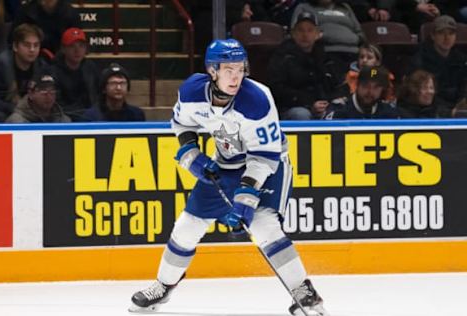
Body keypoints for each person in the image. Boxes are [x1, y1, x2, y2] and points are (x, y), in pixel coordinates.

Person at [129, 39, 330, 316]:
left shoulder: (257, 100)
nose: (235, 76)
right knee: (187, 226)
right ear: (213, 71)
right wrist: (191, 153)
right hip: (226, 165)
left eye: (239, 69)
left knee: (263, 225)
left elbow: (264, 158)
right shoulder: (191, 91)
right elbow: (181, 124)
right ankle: (163, 286)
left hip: (269, 165)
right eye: (228, 70)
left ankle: (304, 292)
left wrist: (245, 201)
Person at [268, 11, 343, 120]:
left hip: (323, 106)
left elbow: (336, 84)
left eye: (310, 30)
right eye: (300, 30)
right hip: (292, 108)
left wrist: (329, 102)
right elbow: (277, 89)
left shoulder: (325, 57)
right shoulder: (282, 56)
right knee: (301, 115)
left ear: (317, 34)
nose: (305, 34)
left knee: (340, 111)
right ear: (293, 33)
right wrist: (309, 103)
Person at [409, 15, 467, 117]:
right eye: (441, 33)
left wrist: (460, 107)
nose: (447, 38)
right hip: (430, 110)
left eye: (451, 33)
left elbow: (464, 86)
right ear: (433, 36)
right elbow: (421, 93)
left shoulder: (461, 59)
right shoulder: (420, 60)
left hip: (458, 108)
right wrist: (447, 112)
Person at [0, 23, 46, 122]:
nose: (32, 50)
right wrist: (13, 108)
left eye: (36, 45)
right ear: (15, 46)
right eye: (27, 45)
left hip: (32, 111)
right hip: (6, 111)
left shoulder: (42, 66)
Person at [291, 0, 365, 74]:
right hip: (326, 53)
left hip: (353, 52)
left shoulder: (345, 7)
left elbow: (359, 32)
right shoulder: (304, 7)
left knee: (372, 73)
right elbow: (296, 32)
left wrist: (356, 39)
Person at [49, 27, 99, 121]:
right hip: (64, 115)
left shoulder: (90, 67)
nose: (77, 50)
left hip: (89, 114)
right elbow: (55, 105)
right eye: (72, 46)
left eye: (81, 46)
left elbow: (97, 94)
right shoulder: (53, 71)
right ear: (63, 49)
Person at [325, 65, 399, 119]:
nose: (370, 91)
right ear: (357, 84)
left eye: (376, 87)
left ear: (382, 89)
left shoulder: (388, 111)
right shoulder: (340, 108)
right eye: (366, 86)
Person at [11, 0, 80, 55]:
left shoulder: (70, 14)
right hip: (30, 61)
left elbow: (76, 46)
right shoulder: (26, 12)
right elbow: (12, 41)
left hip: (60, 63)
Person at [5, 70, 71, 123]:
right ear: (30, 94)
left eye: (52, 91)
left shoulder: (64, 121)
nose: (48, 95)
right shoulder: (17, 122)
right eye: (43, 91)